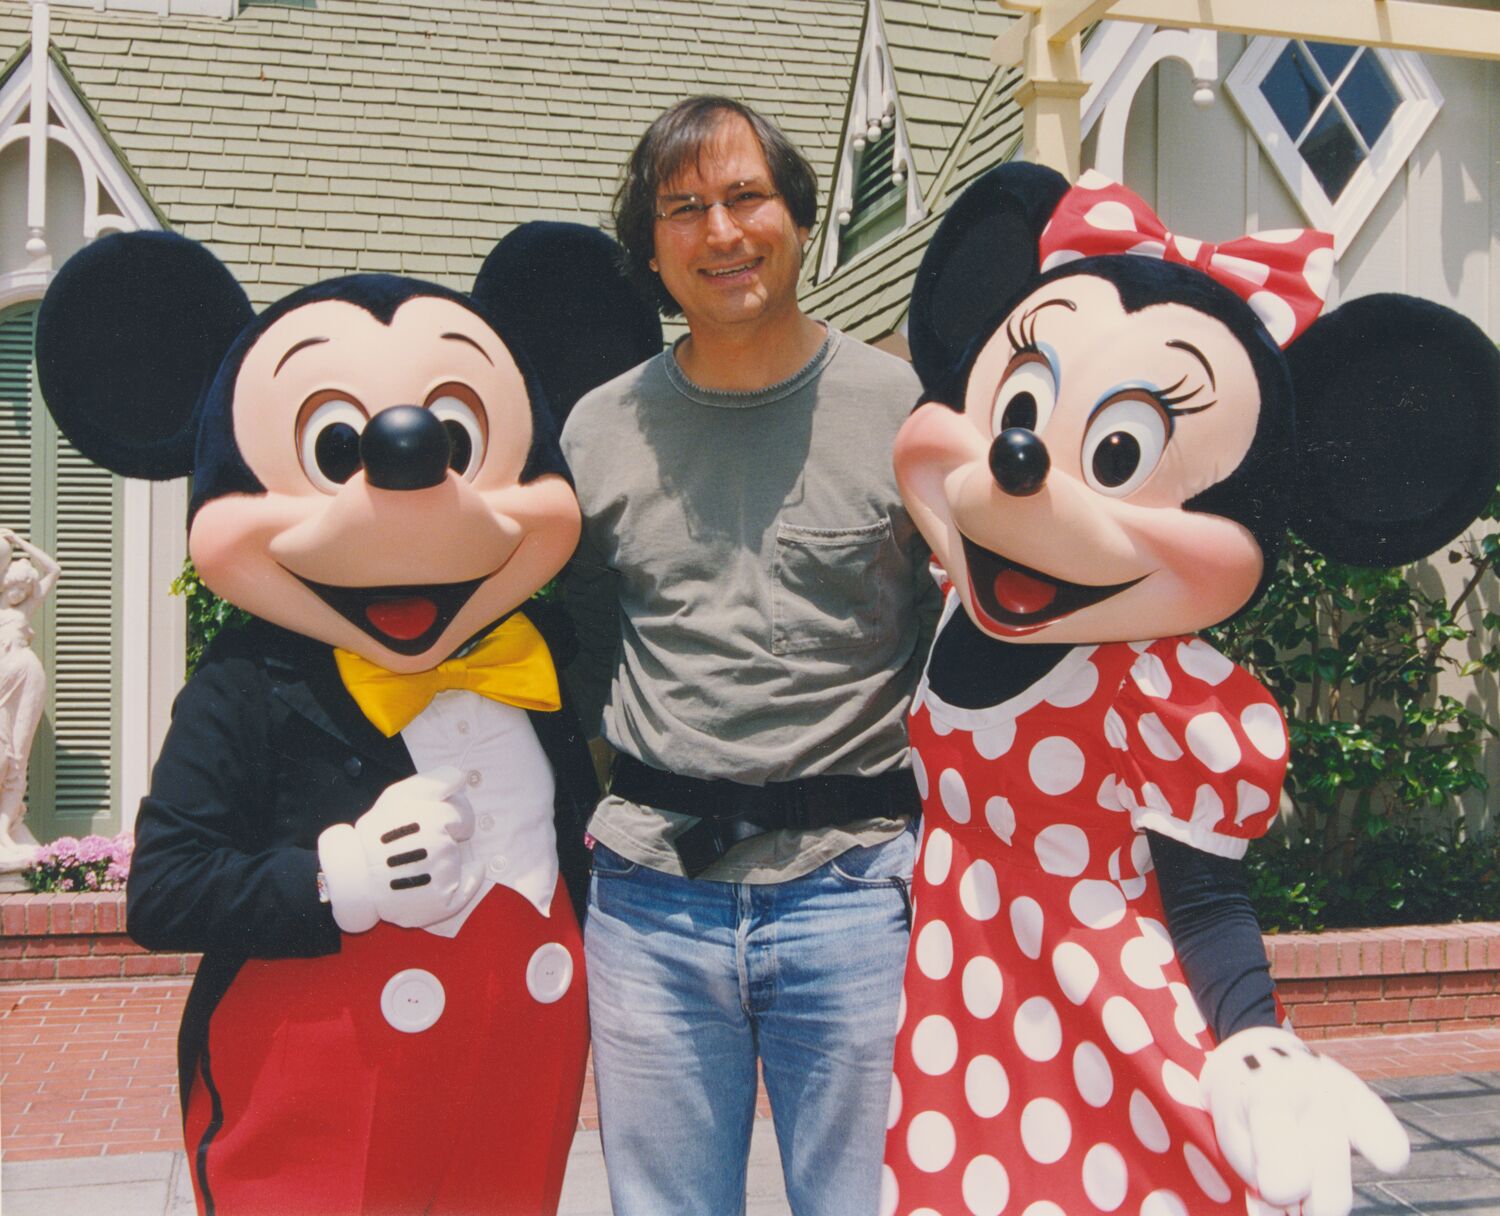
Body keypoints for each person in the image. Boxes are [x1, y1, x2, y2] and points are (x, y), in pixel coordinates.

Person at [560, 95, 936, 1216]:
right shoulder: (597, 431)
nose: (721, 232)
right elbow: (580, 655)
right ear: (652, 250)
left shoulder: (902, 409)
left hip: (858, 888)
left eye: (745, 197)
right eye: (685, 210)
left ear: (800, 215)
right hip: (650, 897)